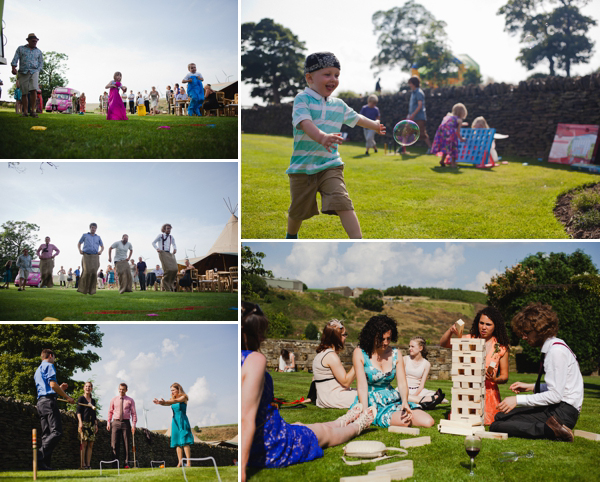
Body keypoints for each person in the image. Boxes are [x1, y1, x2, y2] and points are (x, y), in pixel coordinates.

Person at [241, 302, 375, 482]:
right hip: (270, 443)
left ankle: (341, 420)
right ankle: (357, 425)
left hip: (278, 426)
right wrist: (359, 363)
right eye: (261, 332)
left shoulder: (322, 354)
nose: (263, 338)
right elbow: (245, 417)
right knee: (324, 433)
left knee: (303, 426)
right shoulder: (254, 359)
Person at [285, 52, 386, 240]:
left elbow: (356, 118)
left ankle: (358, 241)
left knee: (343, 202)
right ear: (309, 77)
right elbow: (304, 123)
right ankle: (291, 236)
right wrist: (321, 136)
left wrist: (375, 125)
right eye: (327, 74)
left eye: (337, 75)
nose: (333, 79)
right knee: (297, 211)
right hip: (302, 168)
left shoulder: (338, 105)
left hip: (330, 165)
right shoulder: (302, 99)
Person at [491, 303, 583, 442]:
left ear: (540, 330)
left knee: (497, 426)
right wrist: (531, 387)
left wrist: (517, 400)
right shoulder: (556, 345)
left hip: (562, 414)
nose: (523, 337)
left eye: (526, 333)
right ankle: (551, 428)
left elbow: (556, 395)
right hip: (561, 408)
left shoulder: (555, 352)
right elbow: (562, 386)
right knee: (500, 417)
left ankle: (554, 430)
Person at [351, 315, 435, 429]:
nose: (385, 343)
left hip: (393, 398)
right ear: (372, 336)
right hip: (372, 402)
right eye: (381, 339)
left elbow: (402, 383)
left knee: (428, 421)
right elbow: (361, 386)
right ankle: (378, 416)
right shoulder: (360, 352)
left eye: (388, 339)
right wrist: (365, 413)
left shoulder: (396, 353)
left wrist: (405, 401)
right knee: (404, 421)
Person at [440, 306, 510, 425]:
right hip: (468, 390)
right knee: (464, 420)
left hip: (488, 394)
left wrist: (495, 379)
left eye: (488, 324)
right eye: (481, 323)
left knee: (487, 421)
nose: (483, 327)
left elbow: (505, 376)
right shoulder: (468, 338)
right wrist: (451, 331)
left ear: (495, 326)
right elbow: (443, 344)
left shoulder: (501, 348)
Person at [34, 348, 75, 471]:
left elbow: (48, 387)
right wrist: (67, 397)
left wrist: (60, 389)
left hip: (41, 403)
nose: (54, 359)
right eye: (54, 357)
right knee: (57, 432)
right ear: (51, 355)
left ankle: (43, 465)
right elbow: (52, 385)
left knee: (46, 434)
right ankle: (39, 455)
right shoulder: (49, 365)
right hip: (48, 402)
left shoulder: (37, 370)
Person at [312, 319, 357, 408]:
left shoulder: (322, 353)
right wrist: (359, 360)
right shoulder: (331, 356)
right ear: (336, 337)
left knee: (366, 392)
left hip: (325, 398)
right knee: (369, 396)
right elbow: (346, 382)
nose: (346, 337)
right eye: (344, 335)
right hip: (333, 398)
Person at [153, 383, 195, 467]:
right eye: (171, 390)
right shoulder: (172, 399)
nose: (172, 392)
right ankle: (180, 462)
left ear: (178, 389)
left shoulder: (184, 397)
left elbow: (176, 401)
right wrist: (160, 402)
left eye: (173, 390)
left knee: (185, 441)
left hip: (182, 420)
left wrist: (165, 401)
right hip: (175, 421)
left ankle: (189, 463)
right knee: (177, 443)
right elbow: (167, 403)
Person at [404, 337, 446, 409]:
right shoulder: (404, 359)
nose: (409, 348)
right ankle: (423, 401)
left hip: (418, 390)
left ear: (420, 348)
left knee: (444, 400)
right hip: (404, 389)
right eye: (409, 346)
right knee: (400, 396)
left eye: (412, 346)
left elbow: (421, 385)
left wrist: (415, 395)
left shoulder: (426, 364)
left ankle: (416, 401)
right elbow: (401, 380)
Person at [11, 33, 44, 118]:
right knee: (24, 92)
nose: (35, 42)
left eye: (36, 41)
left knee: (34, 90)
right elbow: (15, 58)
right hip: (23, 72)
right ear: (28, 40)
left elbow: (41, 63)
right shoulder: (21, 49)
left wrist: (38, 70)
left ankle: (33, 111)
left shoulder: (38, 51)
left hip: (34, 71)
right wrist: (13, 67)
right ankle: (25, 112)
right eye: (33, 41)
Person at [107, 383, 137, 469]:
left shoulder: (130, 400)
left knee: (126, 444)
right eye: (120, 389)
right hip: (115, 423)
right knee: (114, 444)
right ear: (118, 389)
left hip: (126, 423)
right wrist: (108, 422)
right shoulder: (114, 399)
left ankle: (126, 463)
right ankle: (115, 464)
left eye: (123, 389)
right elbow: (110, 411)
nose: (121, 391)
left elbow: (134, 413)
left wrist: (134, 425)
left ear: (126, 390)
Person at [430, 103, 468, 168]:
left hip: (442, 133)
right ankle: (453, 164)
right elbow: (458, 132)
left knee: (445, 147)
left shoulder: (448, 116)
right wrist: (461, 139)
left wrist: (462, 124)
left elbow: (450, 124)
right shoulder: (459, 120)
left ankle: (442, 160)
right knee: (453, 147)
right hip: (451, 134)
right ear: (463, 113)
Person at [406, 76, 432, 154]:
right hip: (412, 117)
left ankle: (431, 148)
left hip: (419, 117)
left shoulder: (419, 92)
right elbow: (412, 106)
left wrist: (413, 115)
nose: (409, 85)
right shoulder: (413, 93)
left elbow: (420, 105)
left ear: (414, 84)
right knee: (407, 131)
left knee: (422, 133)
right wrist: (409, 115)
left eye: (410, 83)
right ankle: (403, 149)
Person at [77, 223, 104, 295]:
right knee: (87, 272)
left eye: (95, 228)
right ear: (90, 228)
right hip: (86, 255)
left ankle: (91, 290)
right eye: (92, 227)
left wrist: (100, 251)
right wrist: (80, 250)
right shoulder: (85, 235)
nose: (93, 229)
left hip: (95, 256)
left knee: (94, 273)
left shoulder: (98, 237)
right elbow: (79, 243)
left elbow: (102, 246)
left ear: (96, 229)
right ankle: (83, 289)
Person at [77, 381, 98, 469]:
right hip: (84, 423)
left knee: (90, 444)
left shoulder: (93, 400)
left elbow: (94, 414)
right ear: (84, 388)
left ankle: (88, 464)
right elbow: (78, 412)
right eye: (86, 386)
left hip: (92, 424)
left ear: (91, 389)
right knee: (84, 444)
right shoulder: (81, 399)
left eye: (89, 387)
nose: (88, 388)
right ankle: (83, 464)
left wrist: (96, 424)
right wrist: (80, 422)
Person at [152, 224, 178, 291]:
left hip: (169, 253)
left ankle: (171, 284)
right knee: (168, 270)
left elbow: (174, 244)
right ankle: (166, 287)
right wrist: (157, 248)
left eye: (170, 229)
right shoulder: (160, 235)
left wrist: (175, 249)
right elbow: (153, 242)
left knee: (175, 269)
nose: (169, 230)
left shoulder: (171, 237)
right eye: (167, 228)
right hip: (162, 253)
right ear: (164, 229)